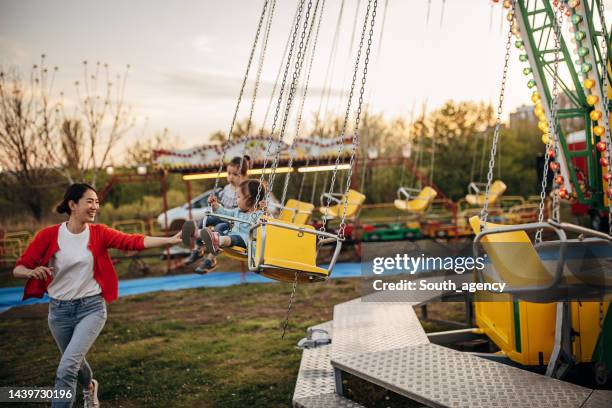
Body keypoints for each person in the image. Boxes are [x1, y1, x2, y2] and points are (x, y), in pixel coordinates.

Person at [13, 183, 182, 408]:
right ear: (72, 205)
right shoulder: (48, 235)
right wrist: (31, 271)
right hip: (59, 312)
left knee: (66, 368)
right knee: (73, 362)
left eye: (97, 202)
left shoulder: (99, 233)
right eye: (89, 201)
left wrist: (169, 240)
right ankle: (90, 387)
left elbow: (132, 240)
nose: (95, 206)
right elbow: (19, 268)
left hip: (91, 309)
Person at [182, 179, 264, 273]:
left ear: (249, 200)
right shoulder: (237, 211)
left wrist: (265, 211)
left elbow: (269, 223)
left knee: (228, 238)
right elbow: (225, 214)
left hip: (246, 240)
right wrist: (215, 205)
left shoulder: (259, 214)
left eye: (238, 197)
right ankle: (195, 233)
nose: (236, 200)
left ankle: (216, 241)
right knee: (220, 234)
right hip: (231, 234)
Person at [184, 155, 250, 268]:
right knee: (205, 220)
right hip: (224, 215)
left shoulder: (246, 189)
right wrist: (215, 203)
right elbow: (222, 206)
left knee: (219, 228)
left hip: (235, 221)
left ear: (244, 175)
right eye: (229, 174)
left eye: (235, 174)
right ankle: (198, 249)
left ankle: (211, 259)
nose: (231, 177)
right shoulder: (227, 189)